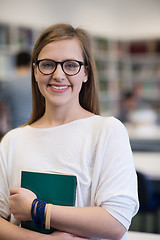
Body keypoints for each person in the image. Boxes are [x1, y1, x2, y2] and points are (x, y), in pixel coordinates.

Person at [0, 23, 139, 240]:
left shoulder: (107, 131)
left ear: (85, 73)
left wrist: (37, 209)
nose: (58, 75)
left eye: (71, 65)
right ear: (35, 71)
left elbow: (116, 222)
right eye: (47, 64)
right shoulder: (12, 141)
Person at [0, 51, 32, 129]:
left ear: (15, 62)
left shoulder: (8, 83)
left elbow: (2, 108)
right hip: (35, 126)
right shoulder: (36, 82)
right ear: (30, 63)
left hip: (15, 128)